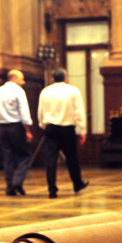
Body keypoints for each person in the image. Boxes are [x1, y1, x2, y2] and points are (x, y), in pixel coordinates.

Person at [37, 67, 89, 198]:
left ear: (52, 78)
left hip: (51, 128)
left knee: (51, 159)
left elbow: (40, 111)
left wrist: (43, 125)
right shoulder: (73, 91)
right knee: (72, 158)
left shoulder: (45, 91)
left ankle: (52, 190)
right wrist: (82, 130)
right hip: (67, 129)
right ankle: (77, 184)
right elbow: (79, 111)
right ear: (65, 78)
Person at [0, 69, 33, 196]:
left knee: (7, 157)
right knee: (24, 155)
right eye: (21, 79)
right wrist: (28, 130)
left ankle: (9, 186)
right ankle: (17, 181)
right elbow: (24, 113)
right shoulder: (18, 91)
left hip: (2, 128)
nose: (23, 82)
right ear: (14, 78)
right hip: (16, 127)